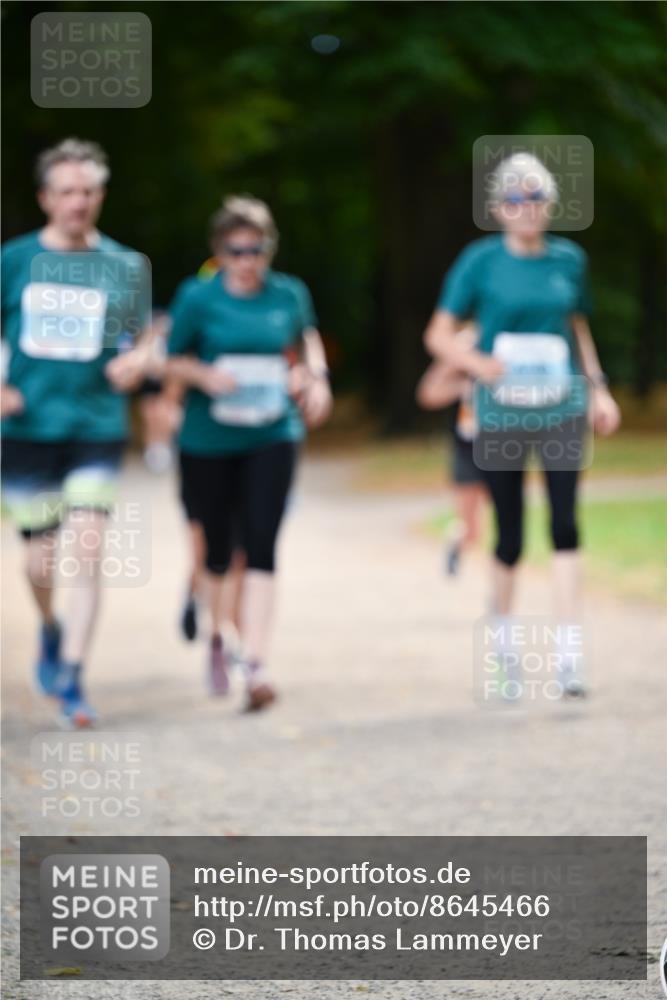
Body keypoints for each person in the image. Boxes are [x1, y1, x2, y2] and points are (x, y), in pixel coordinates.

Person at [423, 152, 621, 696]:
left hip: (561, 407)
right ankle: (505, 655)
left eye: (534, 196)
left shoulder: (568, 261)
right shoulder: (479, 262)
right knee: (508, 533)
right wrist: (476, 364)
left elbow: (576, 327)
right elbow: (437, 336)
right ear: (496, 208)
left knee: (565, 524)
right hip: (501, 412)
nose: (525, 207)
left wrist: (598, 389)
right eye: (513, 198)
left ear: (550, 204)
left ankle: (568, 657)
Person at [1, 138, 152, 726]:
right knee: (40, 562)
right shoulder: (14, 261)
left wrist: (137, 362)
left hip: (96, 424)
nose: (78, 202)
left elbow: (143, 339)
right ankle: (48, 627)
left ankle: (72, 677)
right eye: (66, 191)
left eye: (88, 191)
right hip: (28, 426)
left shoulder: (124, 265)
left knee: (87, 549)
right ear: (45, 198)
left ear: (101, 196)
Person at [166, 195, 332, 710]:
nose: (246, 260)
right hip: (208, 439)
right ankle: (220, 638)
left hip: (272, 432)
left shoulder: (289, 294)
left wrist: (315, 379)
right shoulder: (197, 298)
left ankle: (256, 663)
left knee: (261, 544)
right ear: (220, 252)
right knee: (216, 551)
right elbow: (170, 362)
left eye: (255, 250)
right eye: (236, 251)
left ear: (268, 250)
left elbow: (306, 344)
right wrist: (203, 375)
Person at [416, 326, 487, 577]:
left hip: (503, 447)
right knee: (471, 526)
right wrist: (457, 359)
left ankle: (499, 587)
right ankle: (456, 544)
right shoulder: (465, 345)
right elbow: (428, 393)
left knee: (505, 520)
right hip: (467, 448)